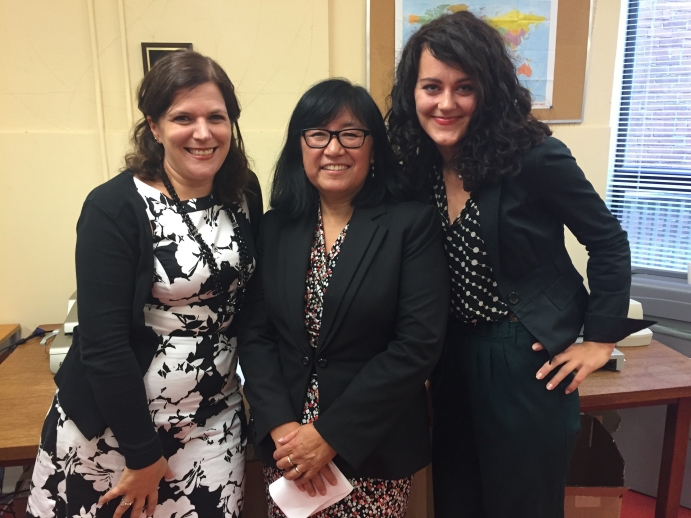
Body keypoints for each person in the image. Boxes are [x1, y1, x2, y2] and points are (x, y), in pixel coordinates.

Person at [387, 11, 652, 518]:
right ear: (412, 92)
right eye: (431, 87)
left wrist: (599, 340)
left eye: (464, 87)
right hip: (449, 357)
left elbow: (609, 241)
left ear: (488, 90)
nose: (446, 103)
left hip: (523, 358)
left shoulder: (534, 157)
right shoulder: (416, 165)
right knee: (458, 500)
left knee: (522, 506)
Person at [27, 50, 261, 518]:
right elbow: (104, 343)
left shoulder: (241, 191)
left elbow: (249, 303)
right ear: (153, 127)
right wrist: (143, 454)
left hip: (211, 423)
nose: (203, 132)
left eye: (217, 117)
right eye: (183, 117)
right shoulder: (114, 206)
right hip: (118, 435)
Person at [237, 78, 449, 517]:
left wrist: (329, 436)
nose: (333, 149)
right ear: (300, 145)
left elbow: (417, 345)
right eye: (318, 134)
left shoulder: (410, 224)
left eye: (351, 134)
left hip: (371, 444)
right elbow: (256, 334)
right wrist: (282, 429)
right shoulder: (277, 227)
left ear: (373, 147)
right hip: (288, 447)